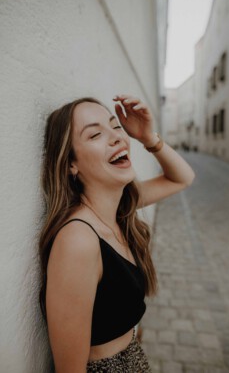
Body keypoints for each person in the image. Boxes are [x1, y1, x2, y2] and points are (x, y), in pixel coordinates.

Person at [38, 94, 195, 372]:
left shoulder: (120, 208)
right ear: (70, 164)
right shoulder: (78, 240)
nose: (116, 138)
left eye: (116, 127)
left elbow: (183, 177)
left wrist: (148, 137)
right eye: (96, 134)